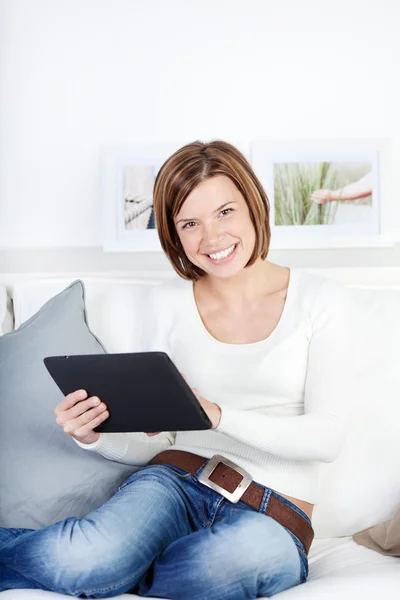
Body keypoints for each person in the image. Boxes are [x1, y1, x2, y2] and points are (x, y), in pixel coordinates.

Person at [0, 140, 351, 599]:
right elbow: (157, 440)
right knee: (86, 559)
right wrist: (95, 437)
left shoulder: (321, 301)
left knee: (238, 564)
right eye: (190, 223)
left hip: (273, 511)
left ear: (253, 206)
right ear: (174, 233)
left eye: (225, 212)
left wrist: (217, 414)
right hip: (171, 484)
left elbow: (327, 437)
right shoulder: (163, 304)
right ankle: (110, 567)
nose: (212, 238)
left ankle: (122, 573)